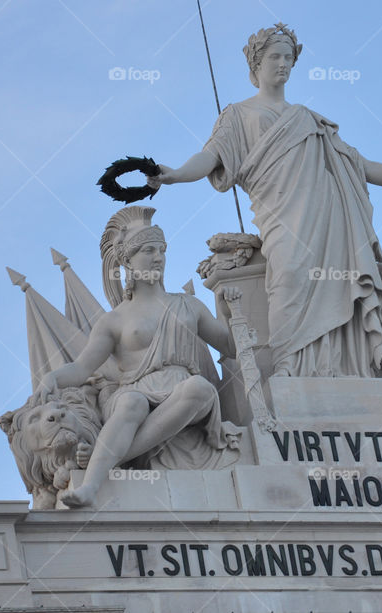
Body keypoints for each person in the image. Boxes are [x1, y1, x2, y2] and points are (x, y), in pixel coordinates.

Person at [146, 23, 382, 378]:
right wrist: (175, 175)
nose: (283, 64)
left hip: (329, 217)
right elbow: (210, 156)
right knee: (289, 276)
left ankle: (341, 369)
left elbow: (363, 166)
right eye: (275, 57)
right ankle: (287, 365)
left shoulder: (310, 120)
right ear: (256, 65)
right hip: (282, 216)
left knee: (339, 282)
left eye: (289, 57)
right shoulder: (238, 115)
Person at [35, 206, 240, 508]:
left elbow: (231, 347)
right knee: (132, 402)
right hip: (136, 390)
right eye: (148, 250)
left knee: (200, 388)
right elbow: (82, 368)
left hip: (183, 391)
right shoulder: (113, 320)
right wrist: (52, 377)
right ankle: (90, 485)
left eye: (161, 250)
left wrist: (228, 312)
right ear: (128, 261)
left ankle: (105, 457)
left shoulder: (189, 305)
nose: (158, 257)